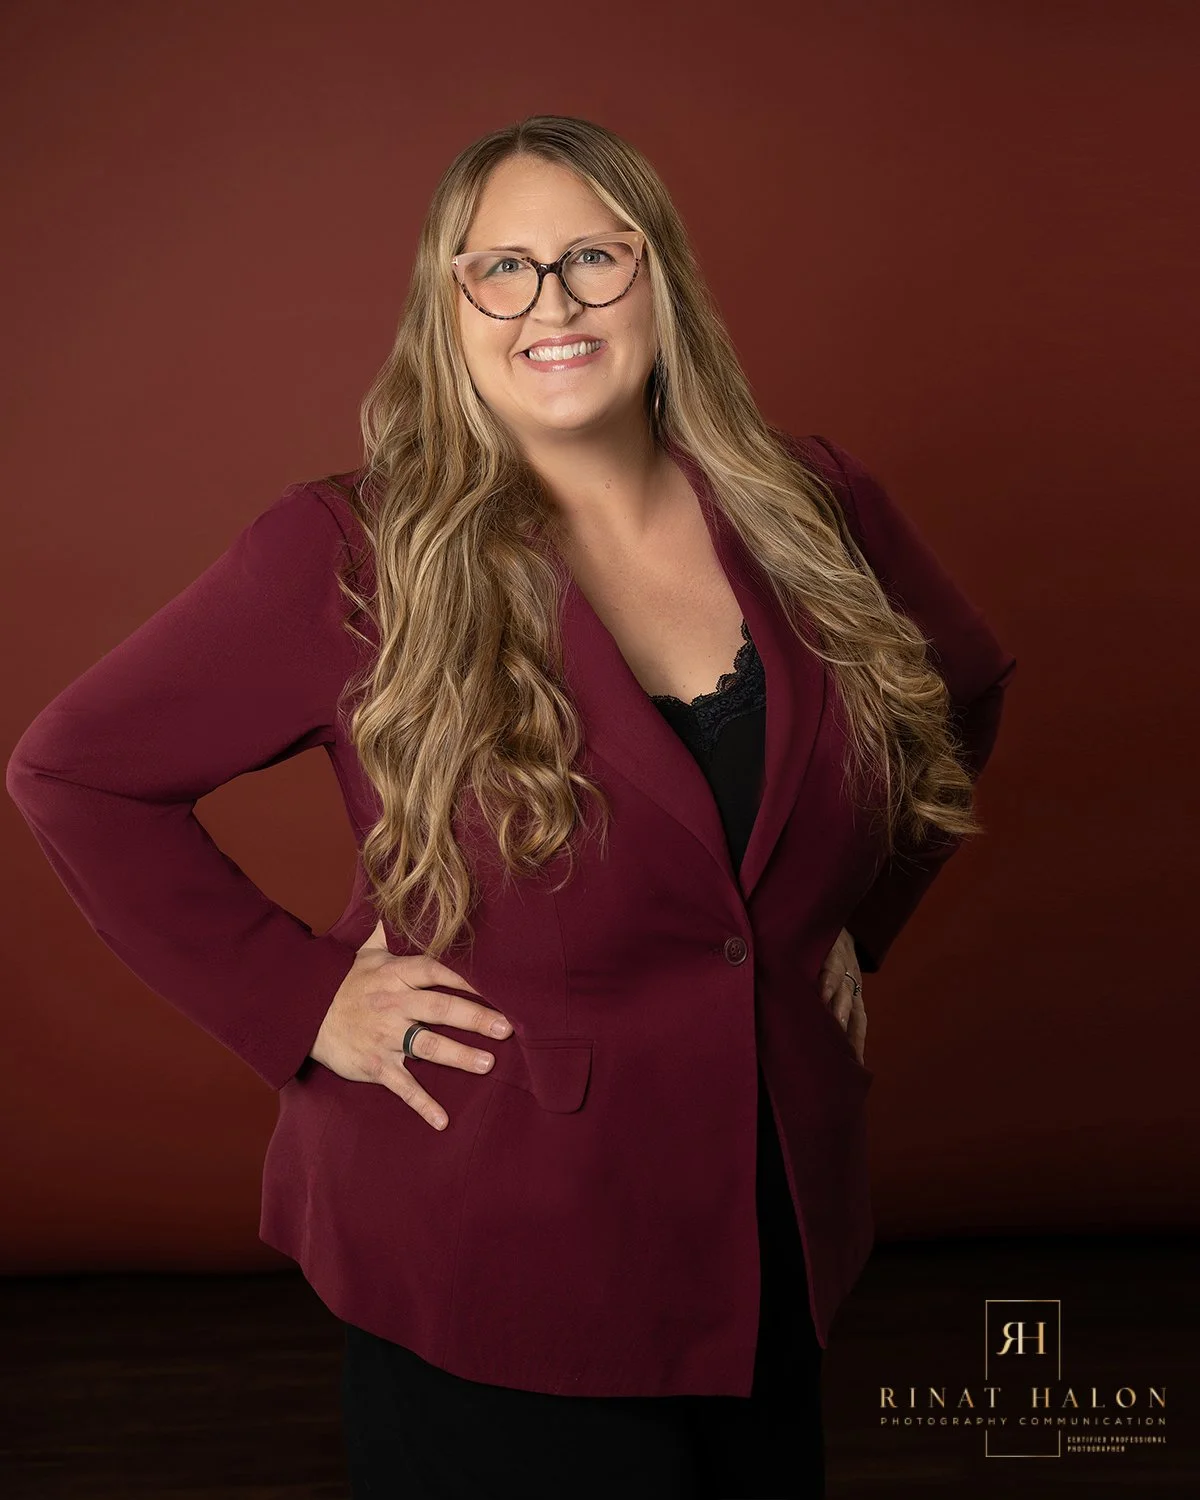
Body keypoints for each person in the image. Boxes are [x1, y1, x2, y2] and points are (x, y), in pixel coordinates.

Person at [5, 115, 1017, 1498]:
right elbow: (72, 771)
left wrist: (856, 922)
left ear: (663, 283)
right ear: (450, 305)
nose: (555, 302)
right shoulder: (349, 552)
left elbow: (954, 692)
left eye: (597, 257)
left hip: (771, 1229)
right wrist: (295, 1002)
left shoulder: (814, 505)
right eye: (506, 269)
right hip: (490, 1247)